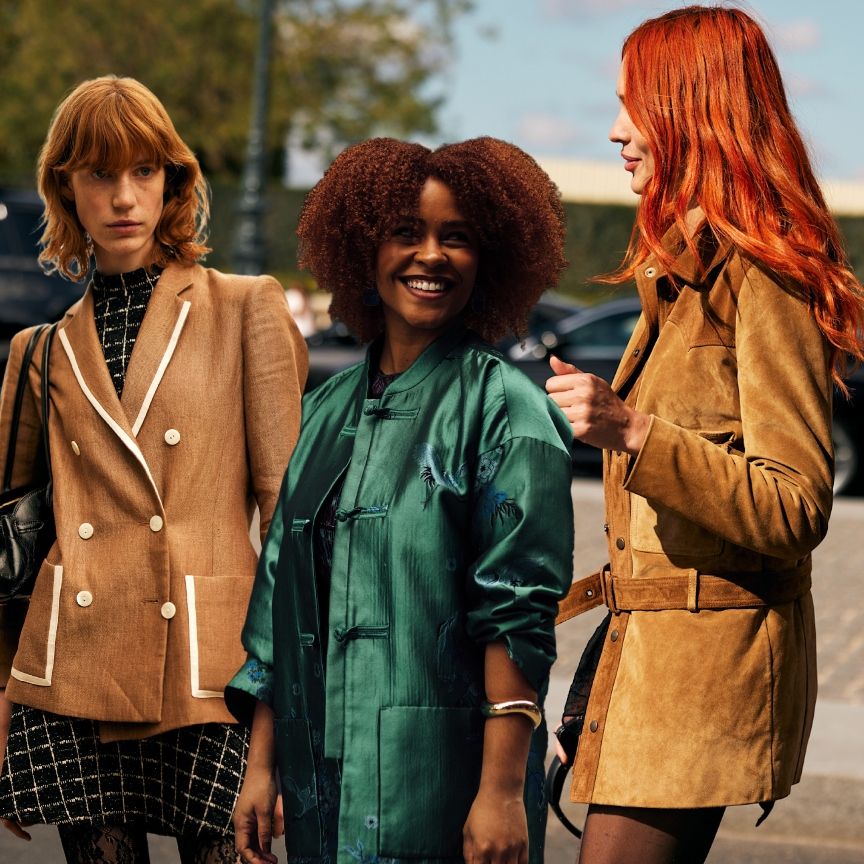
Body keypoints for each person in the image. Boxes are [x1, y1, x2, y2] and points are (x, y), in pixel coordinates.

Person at [545, 6, 864, 864]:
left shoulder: (766, 275)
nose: (616, 132)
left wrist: (632, 429)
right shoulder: (684, 266)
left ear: (699, 111)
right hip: (646, 669)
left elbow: (797, 504)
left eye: (635, 106)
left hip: (700, 689)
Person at [226, 136, 575, 864]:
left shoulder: (506, 408)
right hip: (319, 783)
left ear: (491, 261)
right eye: (405, 233)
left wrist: (504, 791)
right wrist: (260, 769)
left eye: (458, 238)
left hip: (444, 789)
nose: (431, 256)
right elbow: (279, 598)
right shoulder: (324, 411)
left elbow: (519, 614)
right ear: (363, 250)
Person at [0, 75, 308, 863]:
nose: (123, 196)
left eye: (143, 170)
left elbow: (287, 522)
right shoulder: (40, 350)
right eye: (100, 173)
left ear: (174, 179)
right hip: (75, 668)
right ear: (66, 186)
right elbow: (9, 546)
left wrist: (284, 714)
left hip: (214, 673)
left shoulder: (246, 307)